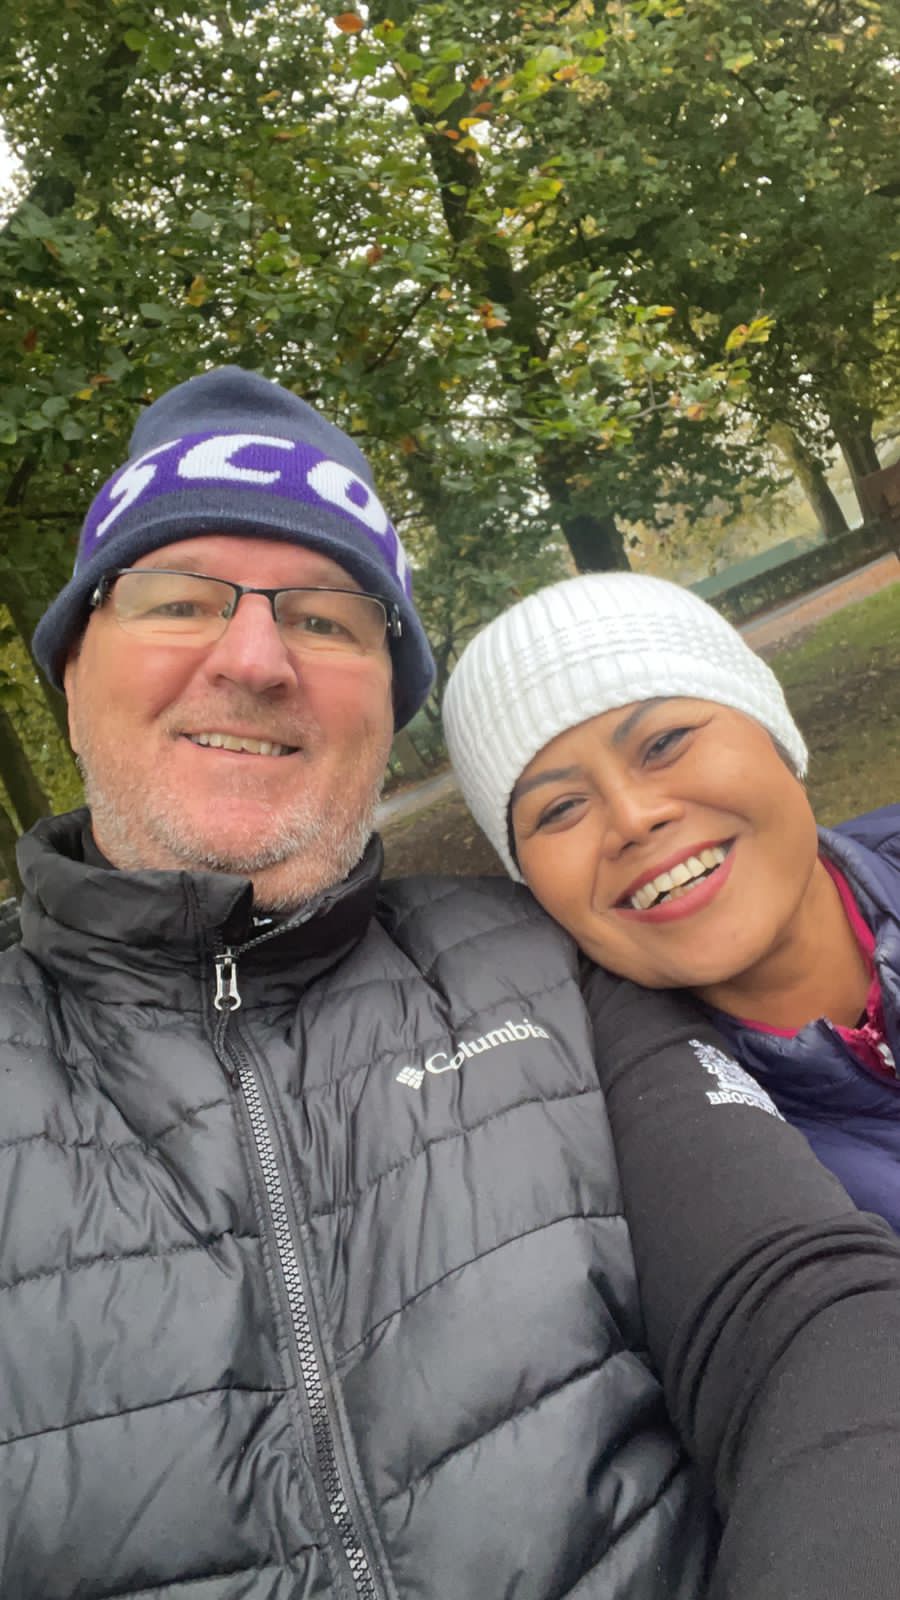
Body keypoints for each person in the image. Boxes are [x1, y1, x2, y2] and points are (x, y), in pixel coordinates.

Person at [5, 367, 900, 1600]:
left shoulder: (538, 966)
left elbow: (797, 1307)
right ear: (70, 668)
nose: (255, 657)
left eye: (327, 619)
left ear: (388, 710)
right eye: (178, 599)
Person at [443, 569, 900, 1233]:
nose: (633, 818)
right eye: (561, 808)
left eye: (664, 743)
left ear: (774, 734)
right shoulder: (655, 1183)